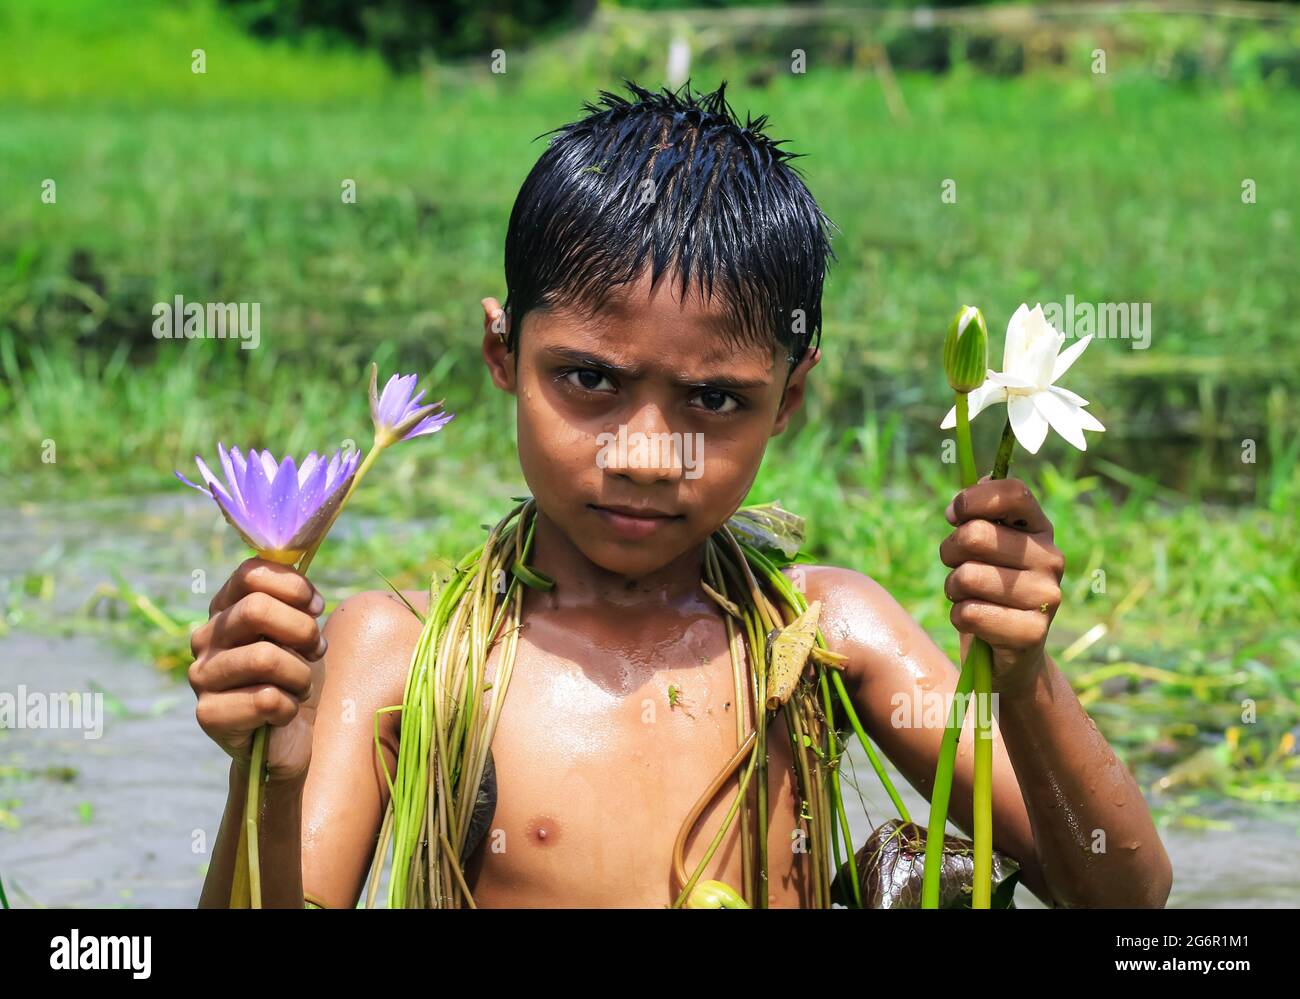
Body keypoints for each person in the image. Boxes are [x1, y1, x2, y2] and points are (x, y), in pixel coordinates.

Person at [189, 80, 1172, 908]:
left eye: (712, 399)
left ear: (788, 398)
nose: (650, 456)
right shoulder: (402, 651)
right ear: (502, 353)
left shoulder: (828, 636)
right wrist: (268, 776)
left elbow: (1125, 898)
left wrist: (1024, 672)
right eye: (589, 380)